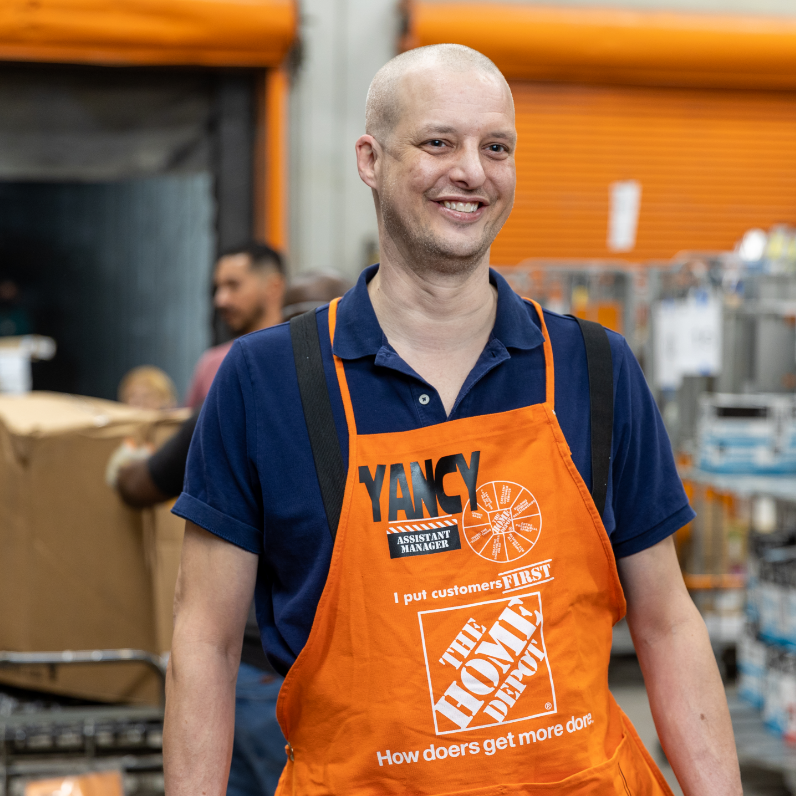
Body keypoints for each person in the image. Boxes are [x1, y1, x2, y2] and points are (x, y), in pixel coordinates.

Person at [164, 44, 742, 796]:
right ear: (370, 160)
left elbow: (666, 622)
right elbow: (204, 642)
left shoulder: (594, 367)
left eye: (495, 147)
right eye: (439, 142)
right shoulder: (268, 381)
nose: (472, 170)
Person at [185, 243, 285, 409]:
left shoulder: (300, 357)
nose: (221, 300)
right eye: (218, 288)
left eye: (233, 285)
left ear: (273, 287)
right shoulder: (212, 364)